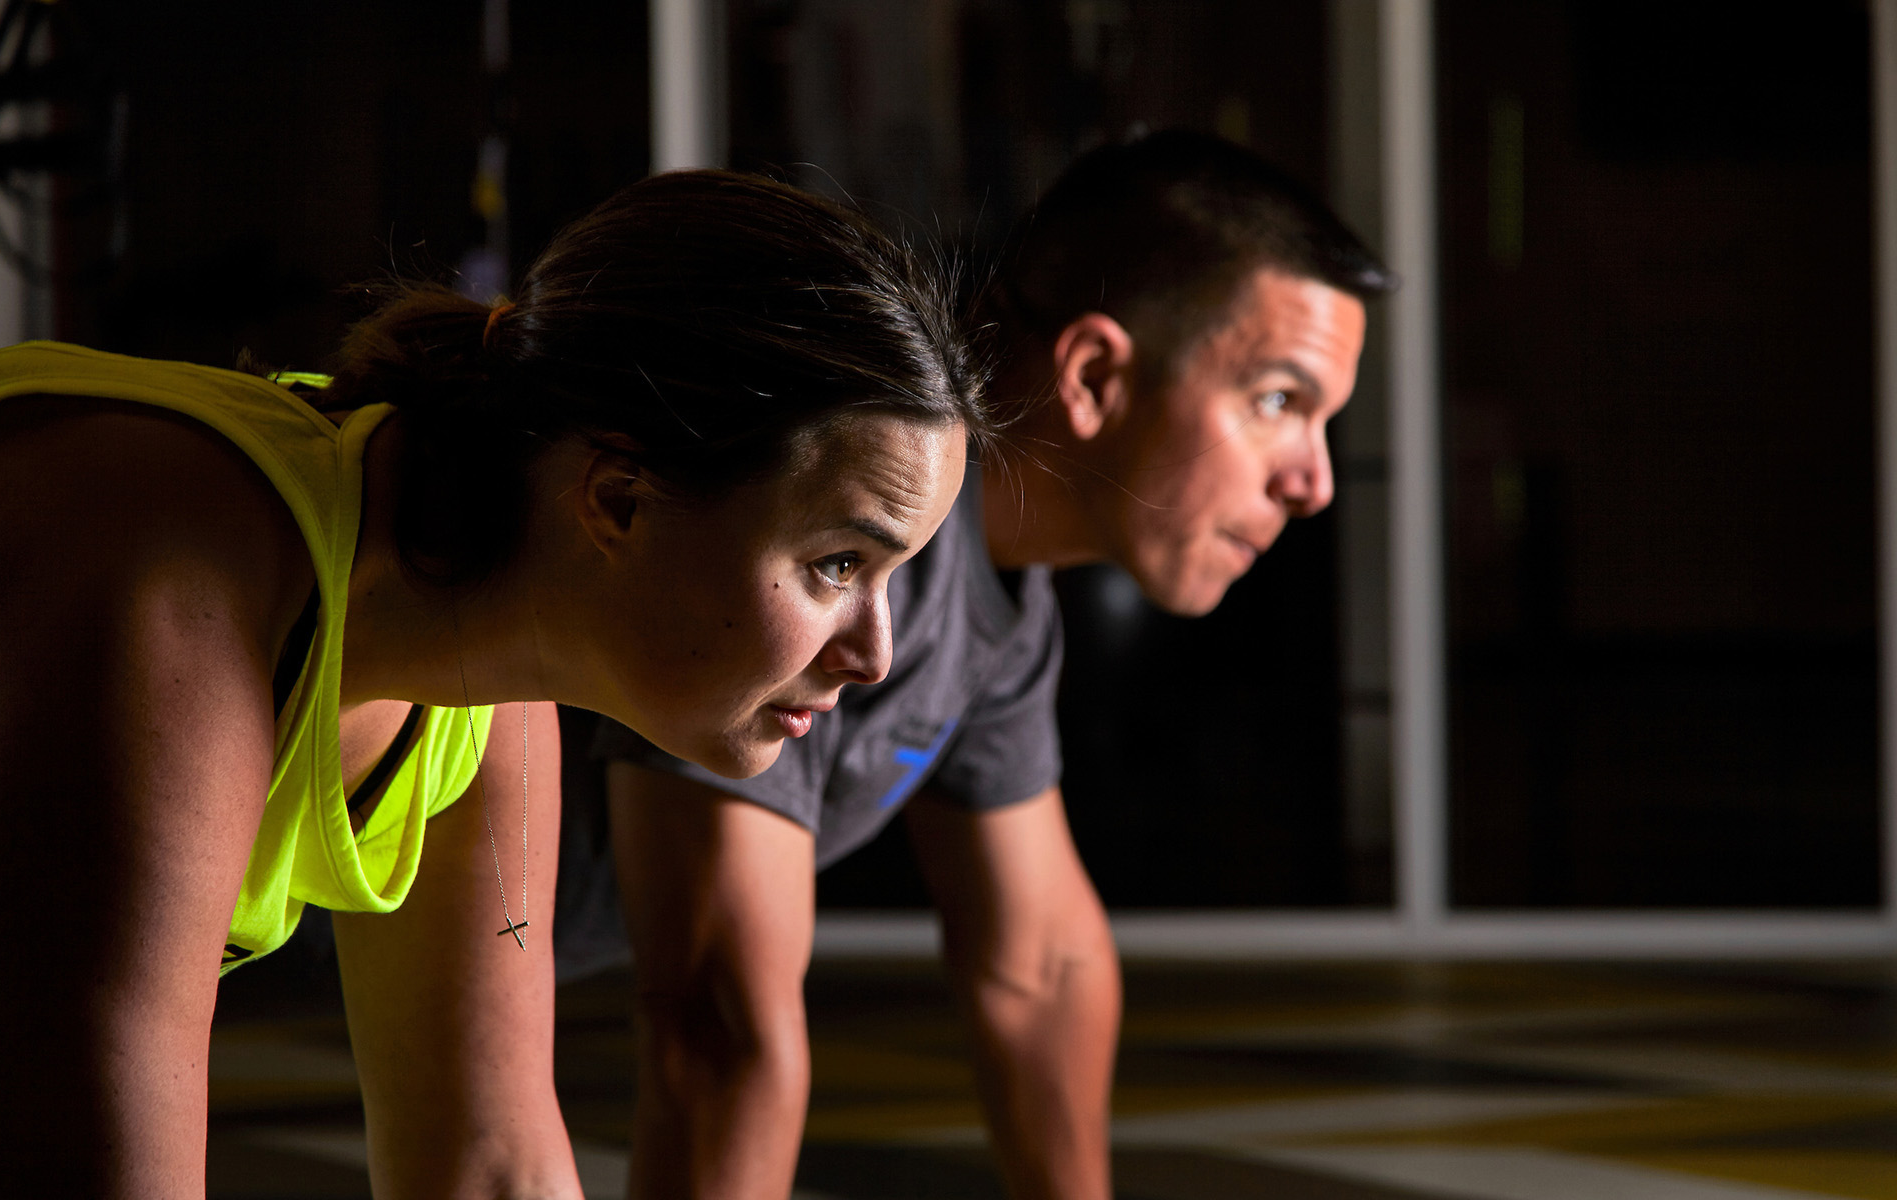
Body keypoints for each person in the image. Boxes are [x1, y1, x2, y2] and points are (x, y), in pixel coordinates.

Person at [0, 169, 988, 1197]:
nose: (876, 654)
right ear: (619, 499)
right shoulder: (177, 593)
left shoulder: (480, 678)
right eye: (837, 564)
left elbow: (491, 1166)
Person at [567, 130, 1395, 1200]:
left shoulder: (1005, 603)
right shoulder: (847, 534)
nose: (1313, 482)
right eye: (1278, 401)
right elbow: (718, 1027)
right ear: (1094, 376)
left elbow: (1041, 965)